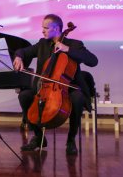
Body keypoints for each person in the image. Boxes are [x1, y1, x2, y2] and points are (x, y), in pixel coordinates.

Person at [12, 14, 98, 155]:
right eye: (42, 27)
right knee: (24, 96)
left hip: (68, 88)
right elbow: (23, 51)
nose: (43, 30)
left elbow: (93, 61)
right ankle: (39, 137)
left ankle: (71, 140)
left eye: (46, 28)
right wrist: (19, 56)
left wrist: (67, 49)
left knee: (77, 98)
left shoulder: (75, 44)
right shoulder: (42, 44)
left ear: (57, 28)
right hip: (44, 88)